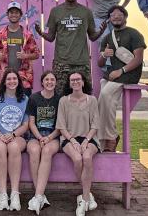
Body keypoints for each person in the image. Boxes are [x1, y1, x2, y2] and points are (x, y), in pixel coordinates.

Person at [35, 0, 106, 94]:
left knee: (84, 95)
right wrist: (41, 33)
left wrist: (101, 32)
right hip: (61, 63)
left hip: (82, 63)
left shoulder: (86, 12)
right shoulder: (56, 11)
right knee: (60, 95)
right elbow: (51, 37)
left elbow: (92, 36)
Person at [96, 5, 145, 152]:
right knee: (102, 103)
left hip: (128, 75)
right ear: (110, 19)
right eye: (112, 15)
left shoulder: (134, 34)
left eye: (119, 14)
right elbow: (100, 63)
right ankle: (104, 137)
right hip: (111, 76)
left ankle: (110, 137)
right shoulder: (107, 37)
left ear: (125, 17)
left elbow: (138, 59)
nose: (116, 17)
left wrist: (121, 70)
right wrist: (104, 55)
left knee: (105, 95)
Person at [0, 70, 29, 211]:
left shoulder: (24, 99)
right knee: (1, 147)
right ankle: (2, 194)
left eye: (15, 78)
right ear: (4, 82)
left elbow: (26, 125)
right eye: (8, 79)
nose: (12, 81)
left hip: (17, 137)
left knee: (13, 147)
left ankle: (15, 194)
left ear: (18, 81)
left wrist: (13, 135)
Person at [56, 71, 100, 216]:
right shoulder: (64, 100)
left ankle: (83, 199)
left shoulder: (92, 100)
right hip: (69, 138)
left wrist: (86, 141)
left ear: (83, 82)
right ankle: (87, 195)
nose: (75, 82)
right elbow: (61, 126)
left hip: (89, 137)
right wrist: (73, 141)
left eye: (78, 79)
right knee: (77, 158)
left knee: (87, 157)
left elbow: (95, 125)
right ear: (69, 83)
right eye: (72, 80)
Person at [0, 1, 40, 96]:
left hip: (23, 77)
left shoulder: (27, 35)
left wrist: (26, 56)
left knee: (24, 107)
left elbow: (37, 54)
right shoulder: (0, 35)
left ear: (20, 15)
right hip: (3, 77)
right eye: (11, 12)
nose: (14, 15)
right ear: (7, 14)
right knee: (1, 106)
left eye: (16, 12)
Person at [26, 71, 60, 214]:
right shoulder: (34, 98)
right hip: (36, 135)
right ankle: (39, 195)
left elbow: (60, 126)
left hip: (53, 136)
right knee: (34, 150)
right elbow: (31, 123)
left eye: (52, 79)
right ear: (42, 82)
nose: (49, 82)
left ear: (56, 82)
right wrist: (40, 137)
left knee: (46, 151)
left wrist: (48, 138)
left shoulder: (60, 100)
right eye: (47, 79)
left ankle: (37, 196)